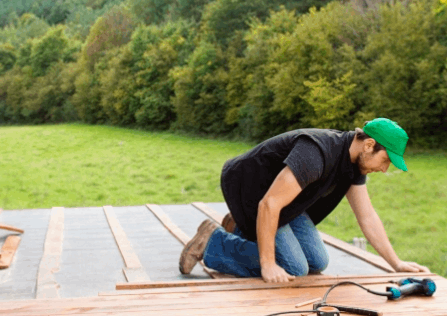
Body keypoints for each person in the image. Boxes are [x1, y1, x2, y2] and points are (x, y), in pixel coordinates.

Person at [179, 117, 429, 283]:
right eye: (385, 161)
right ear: (369, 145)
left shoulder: (354, 165)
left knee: (317, 262)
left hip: (285, 201)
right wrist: (266, 264)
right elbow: (269, 204)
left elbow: (367, 216)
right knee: (294, 267)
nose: (385, 169)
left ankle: (242, 228)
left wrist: (396, 263)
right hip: (252, 191)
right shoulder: (317, 153)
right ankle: (213, 241)